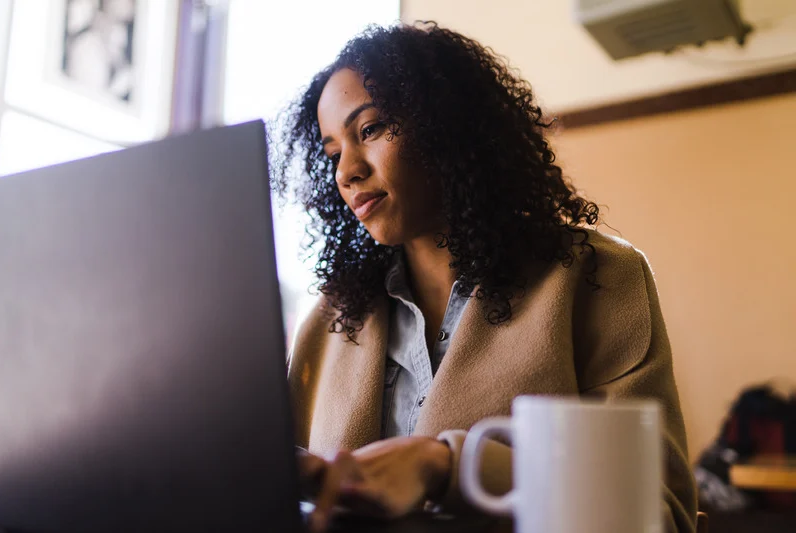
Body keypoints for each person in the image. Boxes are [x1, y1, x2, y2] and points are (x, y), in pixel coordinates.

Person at [276, 22, 697, 533]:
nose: (347, 172)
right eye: (334, 153)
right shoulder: (329, 319)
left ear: (446, 124)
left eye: (369, 130)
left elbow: (659, 514)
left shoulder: (597, 279)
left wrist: (450, 465)